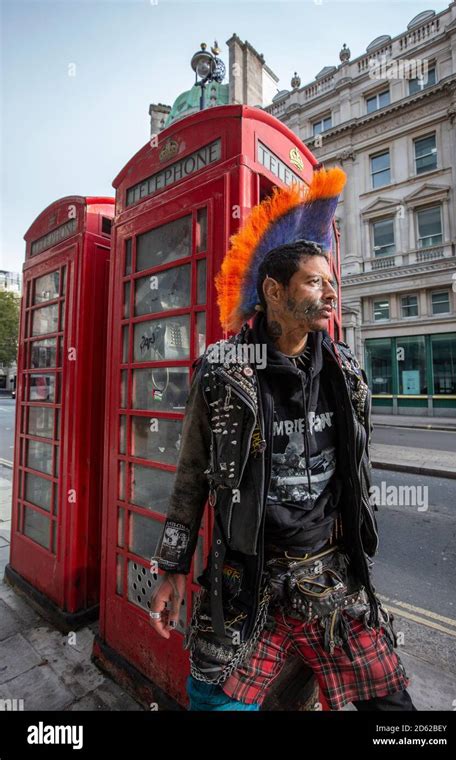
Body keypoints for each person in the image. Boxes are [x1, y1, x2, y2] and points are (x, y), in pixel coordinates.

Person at [149, 166, 416, 712]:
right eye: (314, 282)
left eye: (331, 281)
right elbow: (192, 474)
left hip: (334, 581)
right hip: (248, 585)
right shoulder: (224, 373)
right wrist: (173, 567)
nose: (330, 292)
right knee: (211, 700)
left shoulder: (347, 372)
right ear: (273, 291)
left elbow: (357, 476)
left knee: (395, 711)